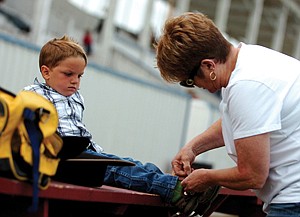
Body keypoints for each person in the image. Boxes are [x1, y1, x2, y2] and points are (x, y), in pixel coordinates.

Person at [23, 35, 219, 216]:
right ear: (46, 72)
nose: (75, 81)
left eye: (80, 76)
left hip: (84, 153)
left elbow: (78, 130)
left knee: (129, 164)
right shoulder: (33, 95)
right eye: (68, 74)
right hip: (61, 158)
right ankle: (176, 191)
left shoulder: (75, 97)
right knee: (116, 171)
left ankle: (184, 186)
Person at [155, 11, 300, 217]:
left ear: (208, 65)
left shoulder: (246, 86)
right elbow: (242, 123)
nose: (195, 86)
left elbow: (253, 175)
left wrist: (207, 178)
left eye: (190, 80)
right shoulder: (250, 60)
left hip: (294, 201)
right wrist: (192, 148)